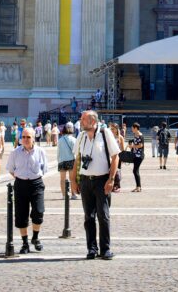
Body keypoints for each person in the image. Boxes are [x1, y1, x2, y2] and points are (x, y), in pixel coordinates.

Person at [71, 110, 120, 260]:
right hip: (86, 180)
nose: (80, 121)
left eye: (83, 119)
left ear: (92, 121)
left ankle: (105, 249)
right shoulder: (81, 136)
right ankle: (91, 248)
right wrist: (74, 180)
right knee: (88, 217)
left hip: (102, 180)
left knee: (103, 215)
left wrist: (111, 179)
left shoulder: (105, 134)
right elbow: (77, 159)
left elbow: (115, 157)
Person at [7, 125, 47, 253]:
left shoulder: (41, 151)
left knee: (38, 211)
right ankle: (25, 243)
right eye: (23, 137)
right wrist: (21, 177)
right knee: (21, 214)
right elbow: (11, 169)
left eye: (28, 137)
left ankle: (35, 237)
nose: (25, 139)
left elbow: (44, 169)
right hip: (21, 184)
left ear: (33, 138)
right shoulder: (15, 153)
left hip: (36, 184)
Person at [58, 121, 78, 198]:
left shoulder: (60, 139)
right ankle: (73, 194)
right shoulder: (73, 139)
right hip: (71, 160)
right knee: (72, 178)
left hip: (62, 160)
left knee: (62, 179)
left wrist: (58, 160)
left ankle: (64, 195)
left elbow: (58, 152)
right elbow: (75, 151)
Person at [109, 122, 125, 191]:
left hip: (117, 156)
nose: (112, 130)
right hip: (110, 156)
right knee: (110, 171)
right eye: (111, 129)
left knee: (117, 171)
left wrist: (122, 157)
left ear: (116, 129)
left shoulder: (120, 137)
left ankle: (117, 185)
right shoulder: (109, 137)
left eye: (113, 129)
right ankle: (112, 185)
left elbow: (122, 148)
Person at [129, 123, 144, 191]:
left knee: (135, 171)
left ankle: (138, 187)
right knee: (136, 171)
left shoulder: (140, 135)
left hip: (139, 155)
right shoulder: (135, 134)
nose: (131, 129)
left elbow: (141, 145)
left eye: (132, 128)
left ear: (135, 128)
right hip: (136, 155)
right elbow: (135, 142)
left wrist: (133, 146)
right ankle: (138, 187)